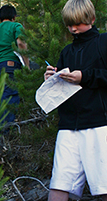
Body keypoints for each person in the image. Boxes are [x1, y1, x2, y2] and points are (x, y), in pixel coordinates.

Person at [44, 0, 107, 200]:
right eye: (69, 24)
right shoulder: (66, 52)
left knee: (104, 187)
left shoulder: (103, 42)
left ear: (92, 19)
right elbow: (60, 94)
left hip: (99, 124)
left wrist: (84, 77)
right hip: (68, 126)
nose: (73, 29)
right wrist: (51, 79)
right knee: (58, 186)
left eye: (78, 23)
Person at [0, 4, 29, 123]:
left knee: (1, 96)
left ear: (0, 17)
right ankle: (7, 132)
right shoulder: (16, 26)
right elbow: (21, 44)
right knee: (11, 97)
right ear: (14, 16)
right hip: (10, 65)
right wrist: (27, 65)